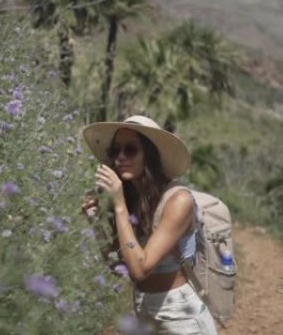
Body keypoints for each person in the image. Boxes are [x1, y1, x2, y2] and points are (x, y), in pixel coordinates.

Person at [80, 115, 217, 335]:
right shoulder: (133, 200)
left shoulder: (178, 201)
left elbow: (140, 270)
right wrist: (95, 222)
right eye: (116, 150)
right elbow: (118, 267)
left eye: (131, 150)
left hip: (180, 316)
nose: (121, 157)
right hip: (143, 313)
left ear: (150, 155)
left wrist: (118, 205)